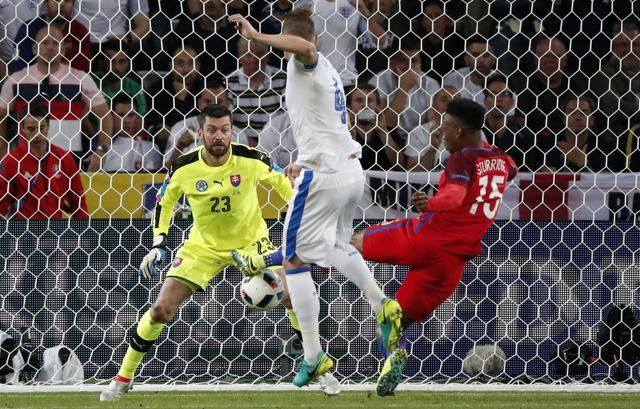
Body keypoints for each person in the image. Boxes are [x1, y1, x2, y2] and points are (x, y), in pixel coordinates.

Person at [228, 9, 401, 390]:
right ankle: (382, 304)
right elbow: (320, 123)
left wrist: (256, 35)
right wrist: (300, 161)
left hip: (323, 178)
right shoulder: (329, 73)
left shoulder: (306, 62)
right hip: (350, 173)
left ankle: (313, 357)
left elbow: (302, 45)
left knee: (294, 259)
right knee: (336, 246)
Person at [99, 104, 312, 400]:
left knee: (292, 294)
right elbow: (164, 203)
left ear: (231, 131)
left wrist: (298, 225)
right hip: (203, 247)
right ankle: (123, 377)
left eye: (224, 130)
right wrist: (159, 243)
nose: (219, 136)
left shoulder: (250, 157)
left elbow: (285, 186)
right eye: (212, 130)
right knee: (161, 309)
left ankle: (316, 364)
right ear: (200, 133)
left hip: (251, 242)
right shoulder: (184, 166)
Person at [350, 99, 518, 396]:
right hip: (451, 264)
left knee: (353, 242)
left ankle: (295, 265)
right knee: (393, 323)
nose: (440, 133)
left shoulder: (461, 159)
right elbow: (510, 170)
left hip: (425, 239)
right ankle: (394, 361)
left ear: (459, 131)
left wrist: (431, 202)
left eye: (445, 127)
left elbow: (453, 196)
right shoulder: (503, 160)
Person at [0, 25, 113, 170]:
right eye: (45, 43)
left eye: (55, 43)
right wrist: (3, 148)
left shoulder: (80, 78)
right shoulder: (16, 80)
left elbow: (105, 116)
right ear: (34, 48)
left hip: (69, 163)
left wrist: (102, 151)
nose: (50, 47)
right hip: (26, 163)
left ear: (64, 49)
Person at [0, 103, 88, 219]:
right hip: (22, 232)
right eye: (31, 129)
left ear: (48, 126)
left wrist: (85, 233)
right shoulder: (11, 162)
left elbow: (78, 203)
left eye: (42, 128)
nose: (37, 134)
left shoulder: (64, 158)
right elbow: (1, 205)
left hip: (55, 232)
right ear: (22, 128)